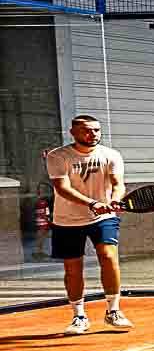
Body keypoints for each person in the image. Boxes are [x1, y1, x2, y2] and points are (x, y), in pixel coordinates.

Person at [44, 115, 130, 335]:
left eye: (96, 130)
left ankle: (113, 311)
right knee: (73, 269)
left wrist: (114, 201)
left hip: (103, 218)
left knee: (109, 257)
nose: (93, 134)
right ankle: (79, 316)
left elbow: (118, 184)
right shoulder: (58, 156)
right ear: (73, 133)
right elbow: (62, 188)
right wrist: (92, 203)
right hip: (66, 220)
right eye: (87, 130)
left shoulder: (111, 155)